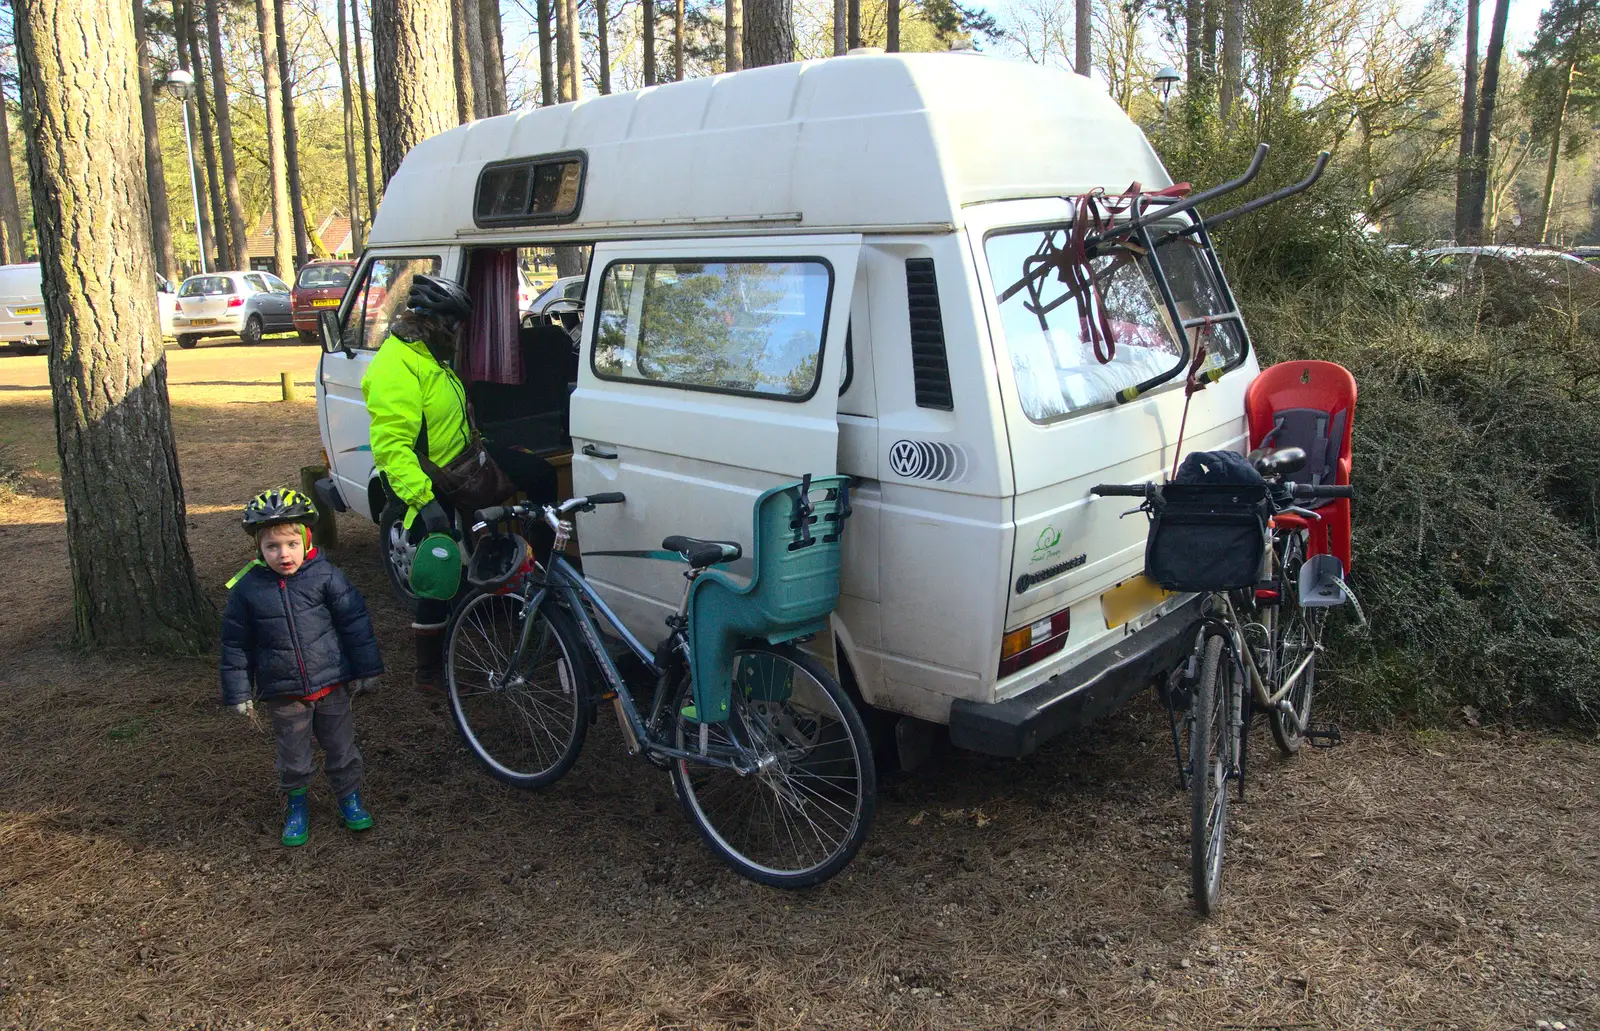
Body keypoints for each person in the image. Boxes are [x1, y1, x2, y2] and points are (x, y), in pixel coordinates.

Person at [361, 273, 557, 691]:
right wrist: (426, 502)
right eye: (456, 324)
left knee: (540, 475)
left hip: (468, 461)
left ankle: (535, 582)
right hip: (433, 483)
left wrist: (491, 448)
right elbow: (393, 447)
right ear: (437, 321)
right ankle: (428, 672)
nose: (460, 332)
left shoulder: (429, 354)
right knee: (440, 567)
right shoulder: (396, 366)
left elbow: (447, 421)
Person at [220, 489, 385, 848]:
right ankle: (297, 803)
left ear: (307, 539)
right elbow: (235, 645)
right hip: (284, 692)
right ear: (259, 550)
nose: (284, 554)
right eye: (273, 547)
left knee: (341, 748)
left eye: (292, 544)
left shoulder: (325, 576)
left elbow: (354, 622)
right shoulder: (247, 590)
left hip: (331, 684)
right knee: (293, 756)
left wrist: (366, 668)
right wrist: (239, 691)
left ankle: (349, 797)